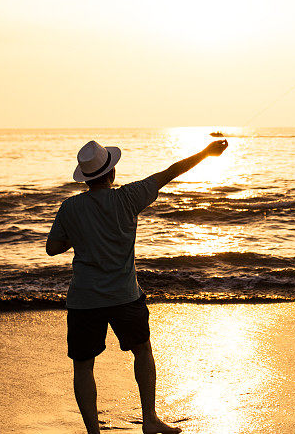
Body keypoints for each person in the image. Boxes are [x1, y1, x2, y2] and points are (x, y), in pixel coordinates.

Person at [46, 138, 229, 434]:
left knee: (83, 364)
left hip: (84, 299)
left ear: (86, 178)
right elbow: (171, 172)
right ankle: (150, 420)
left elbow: (52, 248)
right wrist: (207, 153)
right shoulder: (128, 197)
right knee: (142, 351)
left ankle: (94, 433)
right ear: (111, 174)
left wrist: (77, 237)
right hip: (124, 295)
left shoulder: (70, 207)